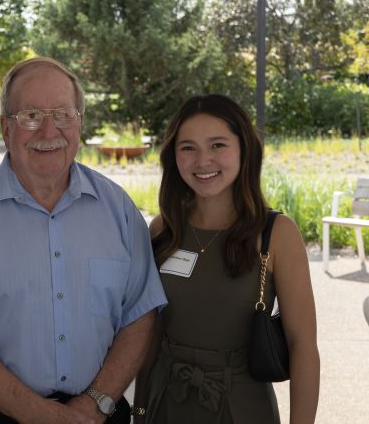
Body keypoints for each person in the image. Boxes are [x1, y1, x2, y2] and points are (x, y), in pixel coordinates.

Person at [0, 57, 167, 424]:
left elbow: (139, 315)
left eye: (63, 114)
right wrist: (39, 414)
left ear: (79, 122)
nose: (49, 131)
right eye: (30, 115)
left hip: (94, 414)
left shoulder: (118, 209)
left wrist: (93, 404)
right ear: (6, 128)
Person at [133, 94, 319, 423]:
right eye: (188, 147)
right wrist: (142, 405)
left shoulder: (277, 233)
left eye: (218, 145)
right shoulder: (163, 229)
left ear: (244, 148)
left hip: (242, 406)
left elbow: (302, 344)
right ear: (173, 156)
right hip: (167, 401)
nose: (203, 160)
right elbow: (151, 331)